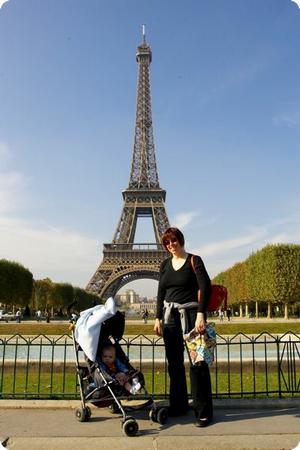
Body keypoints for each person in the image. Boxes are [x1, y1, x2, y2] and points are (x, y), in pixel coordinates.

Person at [154, 227, 213, 427]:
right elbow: (161, 291)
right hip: (170, 318)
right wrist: (157, 317)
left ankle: (203, 411)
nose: (171, 245)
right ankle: (178, 406)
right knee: (175, 365)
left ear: (181, 240)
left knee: (198, 364)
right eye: (167, 243)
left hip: (190, 316)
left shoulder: (194, 260)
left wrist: (200, 314)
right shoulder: (164, 265)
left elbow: (205, 287)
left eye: (174, 241)